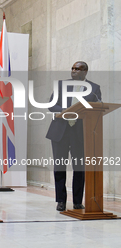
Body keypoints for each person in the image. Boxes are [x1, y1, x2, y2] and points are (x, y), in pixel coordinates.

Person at [46, 61, 102, 211]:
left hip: (81, 133)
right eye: (72, 68)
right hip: (60, 132)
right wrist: (66, 110)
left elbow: (99, 105)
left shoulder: (94, 88)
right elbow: (51, 104)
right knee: (59, 167)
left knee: (80, 168)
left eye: (77, 69)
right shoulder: (61, 85)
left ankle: (77, 201)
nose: (74, 71)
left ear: (85, 71)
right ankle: (61, 201)